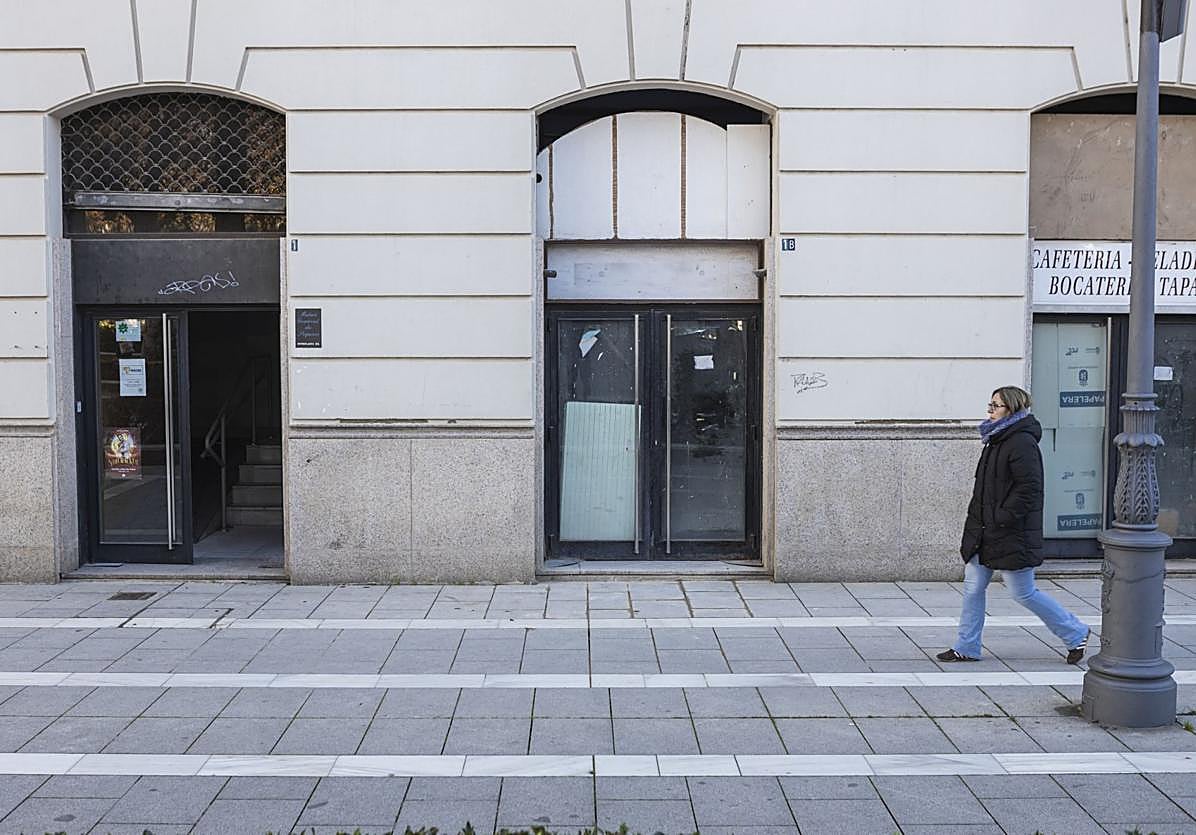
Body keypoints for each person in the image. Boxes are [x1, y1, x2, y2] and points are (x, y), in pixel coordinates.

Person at [937, 385, 1091, 664]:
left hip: (1010, 532)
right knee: (972, 588)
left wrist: (1001, 517)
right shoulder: (996, 438)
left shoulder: (1021, 442)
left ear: (1013, 408)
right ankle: (967, 646)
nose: (990, 410)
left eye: (996, 406)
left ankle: (1075, 632)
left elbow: (1029, 489)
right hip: (985, 531)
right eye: (990, 404)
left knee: (1023, 592)